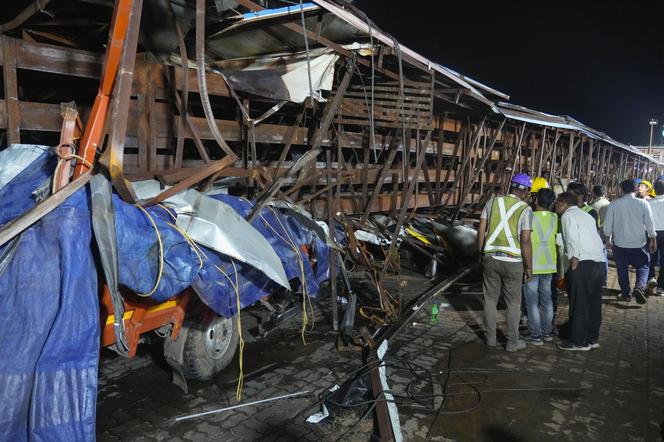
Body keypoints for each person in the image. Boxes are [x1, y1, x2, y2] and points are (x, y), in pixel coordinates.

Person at [478, 173, 533, 352]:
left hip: (491, 257)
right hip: (513, 262)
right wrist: (529, 266)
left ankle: (491, 339)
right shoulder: (525, 209)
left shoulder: (492, 202)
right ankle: (512, 342)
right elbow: (525, 240)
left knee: (490, 300)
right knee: (513, 303)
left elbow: (481, 230)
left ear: (511, 187)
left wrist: (480, 253)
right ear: (525, 192)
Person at [553, 192, 606, 351]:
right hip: (598, 261)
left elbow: (572, 238)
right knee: (594, 302)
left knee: (579, 302)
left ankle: (578, 341)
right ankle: (592, 338)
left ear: (563, 203)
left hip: (582, 262)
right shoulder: (586, 215)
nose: (555, 206)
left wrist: (574, 259)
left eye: (556, 203)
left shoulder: (567, 217)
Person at [603, 179, 657, 304]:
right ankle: (639, 287)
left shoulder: (614, 204)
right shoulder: (643, 203)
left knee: (622, 270)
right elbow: (650, 224)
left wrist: (608, 240)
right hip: (639, 243)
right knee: (643, 266)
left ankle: (626, 294)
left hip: (620, 244)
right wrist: (653, 239)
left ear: (622, 190)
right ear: (635, 189)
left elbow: (607, 227)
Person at [523, 188, 557, 345]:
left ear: (536, 200)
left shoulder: (528, 216)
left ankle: (535, 335)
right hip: (549, 265)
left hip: (532, 264)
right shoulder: (555, 217)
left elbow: (524, 240)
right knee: (547, 301)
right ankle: (547, 332)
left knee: (531, 302)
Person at [647, 179, 664, 296]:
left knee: (651, 259)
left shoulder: (649, 203)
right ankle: (661, 287)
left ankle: (651, 279)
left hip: (652, 233)